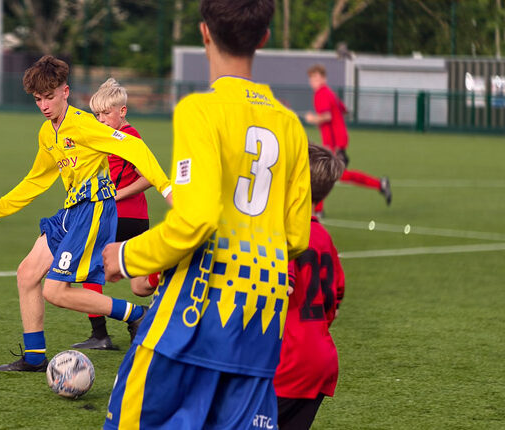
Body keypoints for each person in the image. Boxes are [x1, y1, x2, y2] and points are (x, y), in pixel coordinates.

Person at [101, 0, 312, 427]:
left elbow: (195, 219)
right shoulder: (290, 124)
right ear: (264, 39)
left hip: (195, 315)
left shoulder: (200, 110)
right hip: (261, 322)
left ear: (204, 34)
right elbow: (296, 237)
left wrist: (126, 257)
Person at [0, 56, 172, 372]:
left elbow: (135, 148)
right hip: (69, 211)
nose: (44, 105)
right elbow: (35, 180)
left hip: (94, 210)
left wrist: (167, 189)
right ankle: (34, 357)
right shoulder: (48, 134)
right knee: (27, 274)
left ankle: (138, 316)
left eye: (50, 96)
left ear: (65, 91)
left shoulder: (85, 124)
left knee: (55, 290)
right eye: (38, 99)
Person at [72, 78, 156, 351]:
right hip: (129, 216)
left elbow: (148, 177)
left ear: (123, 111)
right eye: (97, 114)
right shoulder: (108, 136)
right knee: (139, 284)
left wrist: (116, 194)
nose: (101, 119)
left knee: (91, 269)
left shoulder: (129, 136)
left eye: (106, 113)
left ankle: (101, 335)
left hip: (122, 215)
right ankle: (153, 306)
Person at [274, 144, 346, 430]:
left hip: (287, 362)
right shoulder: (323, 236)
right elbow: (335, 306)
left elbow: (282, 287)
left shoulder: (284, 230)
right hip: (321, 360)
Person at [304, 63, 391, 217]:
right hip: (338, 140)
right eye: (312, 78)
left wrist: (312, 119)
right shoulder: (330, 93)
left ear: (323, 78)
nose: (314, 81)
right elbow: (344, 110)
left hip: (334, 143)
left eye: (317, 77)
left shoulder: (321, 94)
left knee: (324, 173)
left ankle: (318, 210)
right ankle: (380, 184)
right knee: (336, 174)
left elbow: (327, 116)